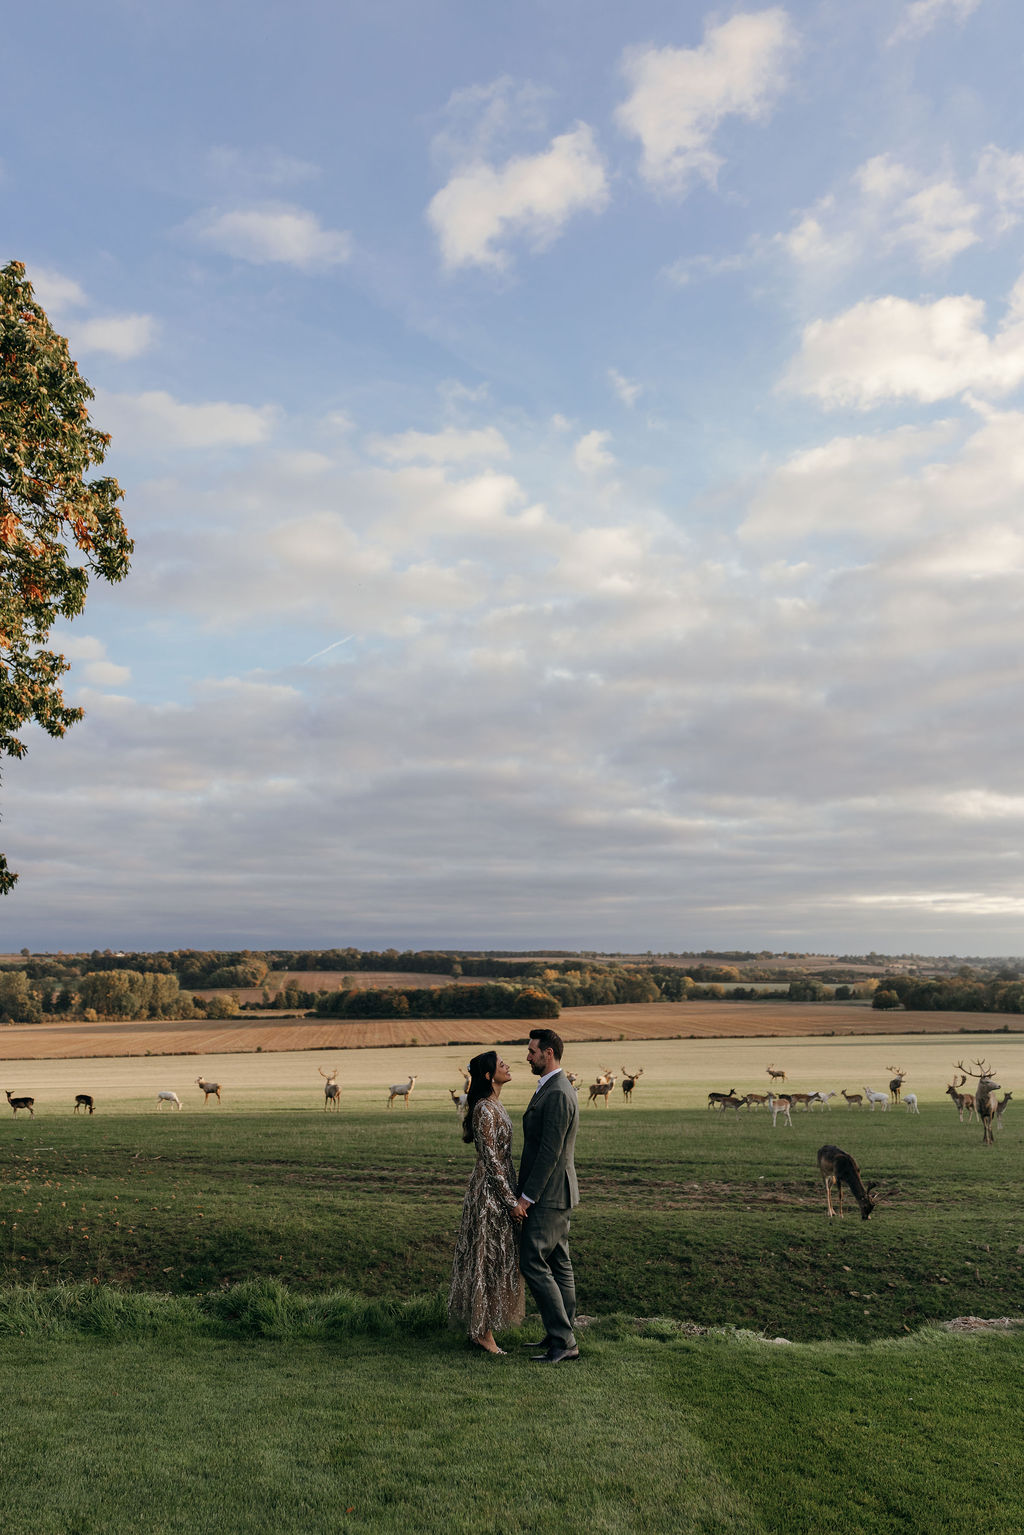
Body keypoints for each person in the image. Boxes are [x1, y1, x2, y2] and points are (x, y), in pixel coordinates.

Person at [448, 1050, 525, 1355]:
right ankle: (482, 1333)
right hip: (489, 1195)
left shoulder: (495, 1104)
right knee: (487, 1259)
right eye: (501, 1064)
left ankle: (481, 1328)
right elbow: (491, 1160)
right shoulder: (483, 1109)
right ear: (489, 1076)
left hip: (500, 1189)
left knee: (497, 1259)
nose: (507, 1065)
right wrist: (511, 1201)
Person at [512, 1028, 580, 1364]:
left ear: (548, 1053)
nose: (528, 1056)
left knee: (532, 1261)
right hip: (556, 1193)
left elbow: (550, 1153)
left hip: (548, 1195)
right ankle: (560, 1333)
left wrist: (527, 1198)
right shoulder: (553, 1087)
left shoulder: (558, 1093)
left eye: (532, 1051)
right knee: (558, 1263)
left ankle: (564, 1340)